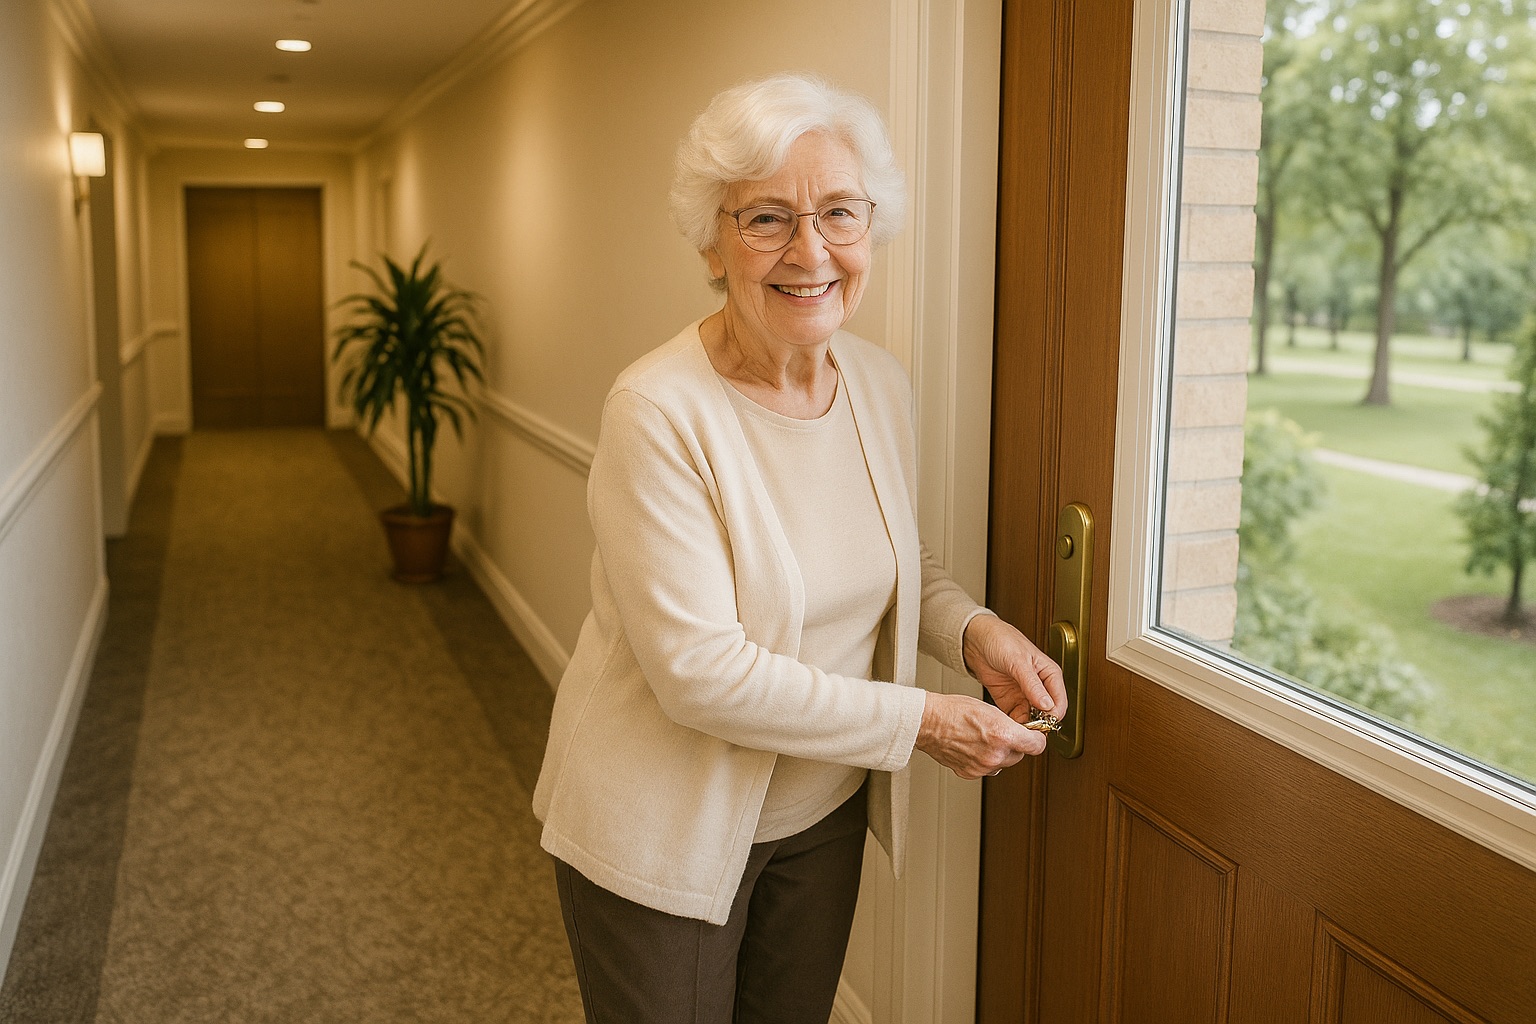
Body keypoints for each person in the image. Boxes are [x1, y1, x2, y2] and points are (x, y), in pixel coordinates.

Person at [532, 72, 1067, 1024]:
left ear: (871, 228)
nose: (810, 250)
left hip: (823, 813)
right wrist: (924, 721)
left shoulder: (878, 383)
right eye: (767, 218)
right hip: (665, 819)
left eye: (839, 213)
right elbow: (701, 675)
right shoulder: (656, 410)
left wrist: (975, 634)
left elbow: (897, 562)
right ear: (712, 243)